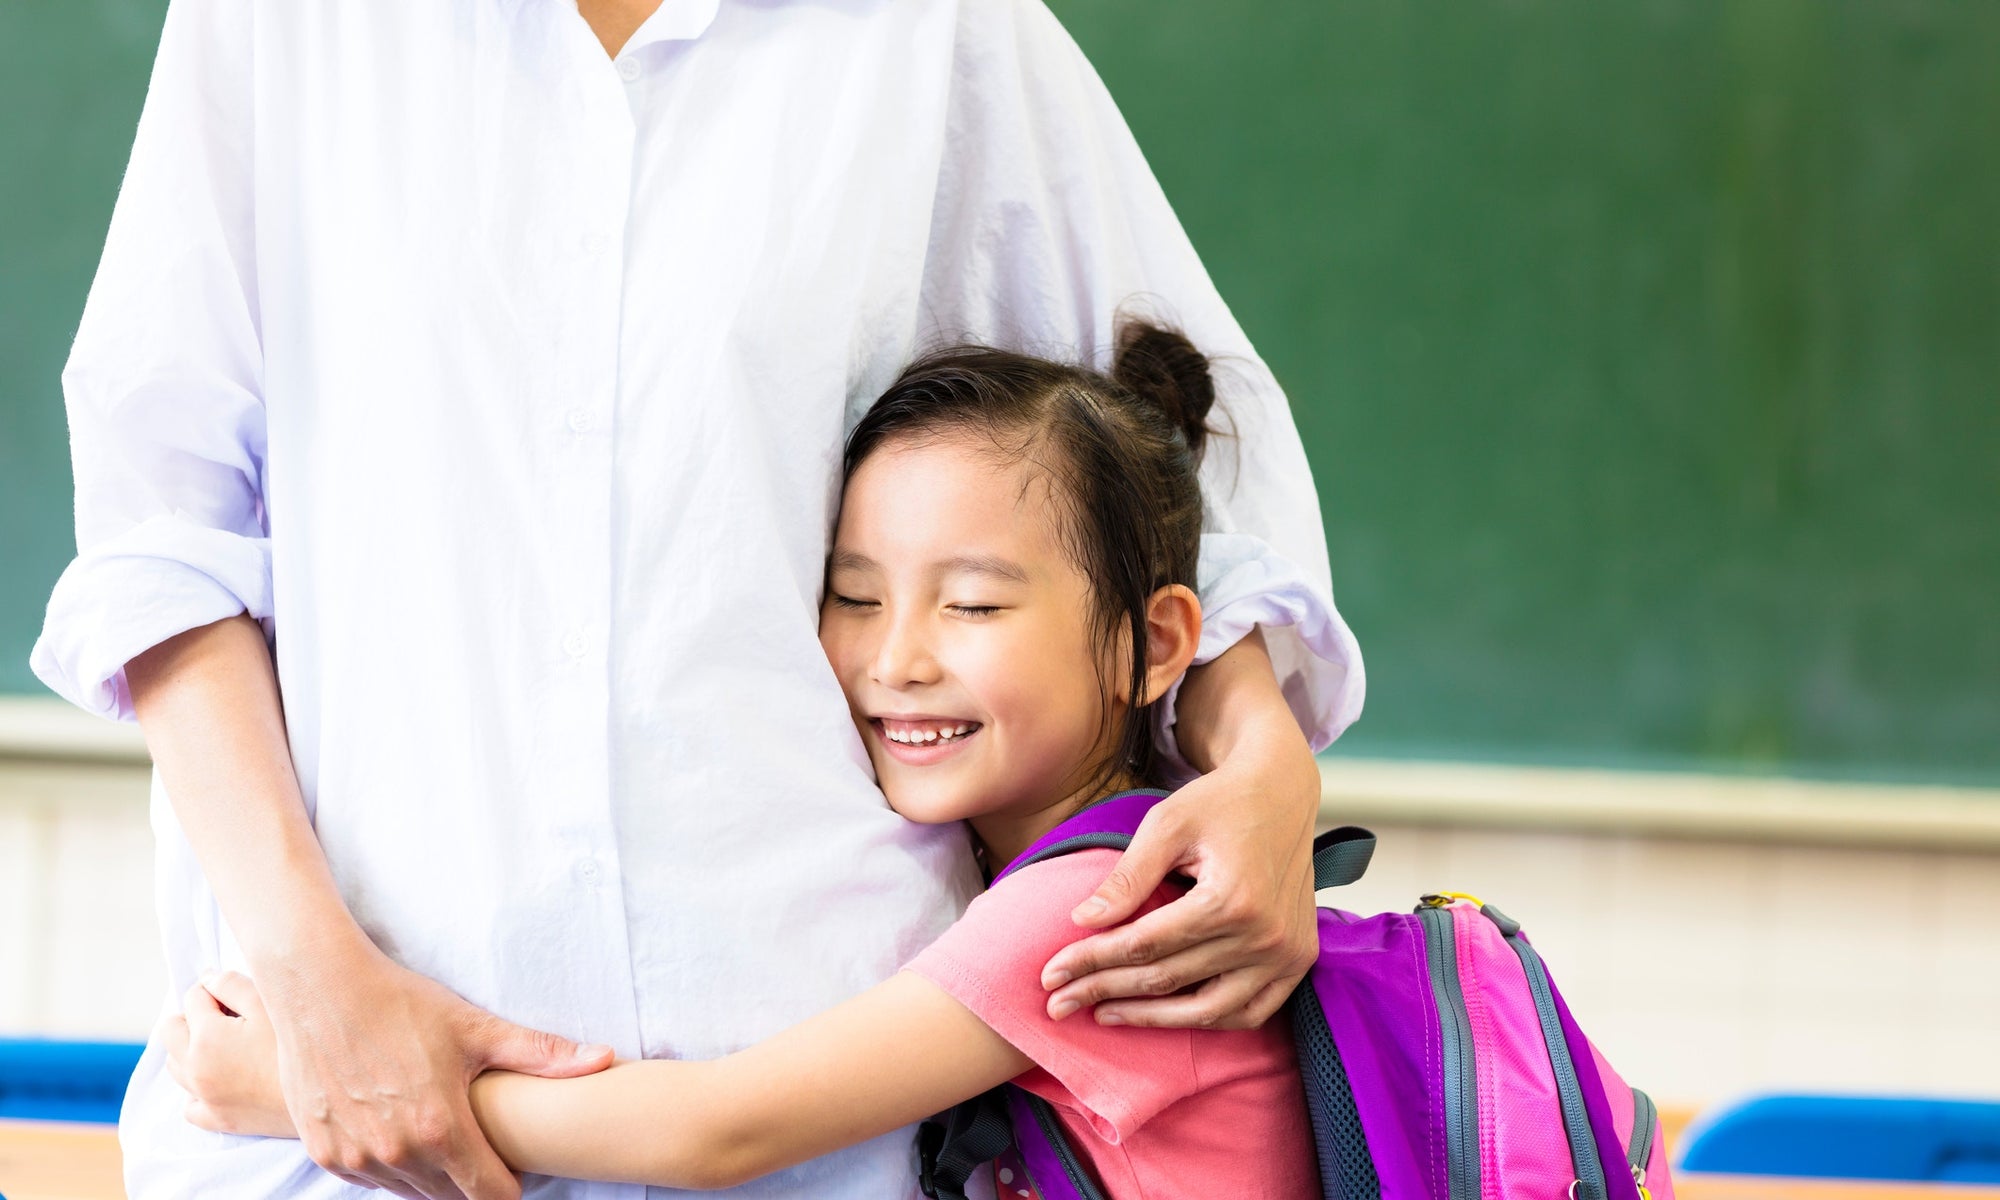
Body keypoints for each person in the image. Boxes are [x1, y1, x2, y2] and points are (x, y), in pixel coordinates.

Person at [32, 1, 1363, 1196]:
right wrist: (316, 986)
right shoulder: (286, 27)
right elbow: (164, 537)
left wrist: (1262, 766)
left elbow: (1171, 449)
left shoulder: (934, 33)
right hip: (327, 1095)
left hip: (828, 1096)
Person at [164, 323, 1321, 1200]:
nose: (894, 658)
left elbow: (718, 1129)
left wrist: (302, 1090)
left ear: (1154, 642)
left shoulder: (1096, 904)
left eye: (971, 605)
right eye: (852, 596)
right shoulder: (1047, 870)